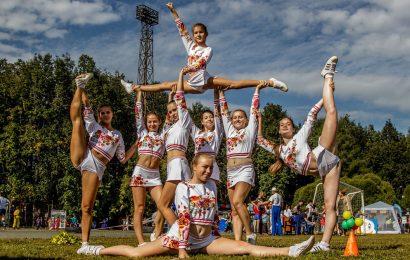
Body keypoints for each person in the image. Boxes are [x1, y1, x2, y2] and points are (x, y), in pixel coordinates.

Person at [87, 154, 315, 258]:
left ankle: (290, 250)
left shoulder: (212, 188)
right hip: (178, 240)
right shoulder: (183, 187)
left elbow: (213, 216)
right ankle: (97, 250)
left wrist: (215, 236)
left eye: (210, 168)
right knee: (137, 255)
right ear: (194, 167)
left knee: (243, 248)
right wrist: (183, 250)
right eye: (203, 167)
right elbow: (184, 218)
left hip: (206, 241)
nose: (207, 171)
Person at [257, 56, 340, 252]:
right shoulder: (279, 150)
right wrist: (258, 118)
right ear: (278, 130)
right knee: (329, 207)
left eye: (288, 124)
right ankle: (324, 245)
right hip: (323, 170)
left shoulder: (299, 136)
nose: (285, 125)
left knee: (331, 112)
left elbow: (312, 113)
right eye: (281, 124)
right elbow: (259, 139)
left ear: (293, 128)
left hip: (324, 158)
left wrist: (325, 96)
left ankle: (328, 75)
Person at [120, 3, 288, 95]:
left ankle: (270, 82)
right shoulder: (190, 45)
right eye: (196, 33)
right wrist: (173, 11)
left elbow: (201, 63)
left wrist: (189, 68)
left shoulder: (208, 49)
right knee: (165, 85)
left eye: (201, 32)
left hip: (205, 80)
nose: (198, 35)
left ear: (206, 34)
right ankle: (134, 87)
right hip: (192, 84)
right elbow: (182, 30)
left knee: (235, 84)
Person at [69, 73, 137, 254]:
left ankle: (84, 244)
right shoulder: (94, 125)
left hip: (97, 167)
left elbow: (122, 159)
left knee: (87, 206)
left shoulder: (118, 136)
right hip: (85, 155)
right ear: (99, 115)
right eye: (102, 112)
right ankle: (78, 84)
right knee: (77, 123)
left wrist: (137, 143)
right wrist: (82, 89)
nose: (105, 114)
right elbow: (86, 104)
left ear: (112, 114)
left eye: (108, 112)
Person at [219, 83, 266, 244]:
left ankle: (250, 233)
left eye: (241, 117)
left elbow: (254, 108)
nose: (237, 119)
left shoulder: (250, 129)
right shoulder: (229, 130)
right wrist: (221, 93)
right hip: (230, 171)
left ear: (246, 120)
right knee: (234, 209)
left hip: (245, 169)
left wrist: (257, 90)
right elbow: (223, 111)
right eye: (235, 117)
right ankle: (238, 241)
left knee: (238, 201)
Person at [130, 88, 166, 245]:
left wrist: (171, 94)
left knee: (163, 205)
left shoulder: (164, 135)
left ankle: (156, 234)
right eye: (149, 121)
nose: (152, 123)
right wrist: (139, 92)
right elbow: (138, 112)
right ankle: (140, 242)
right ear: (146, 123)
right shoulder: (142, 132)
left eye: (155, 121)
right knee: (139, 207)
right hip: (140, 172)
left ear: (159, 122)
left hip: (154, 175)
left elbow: (171, 119)